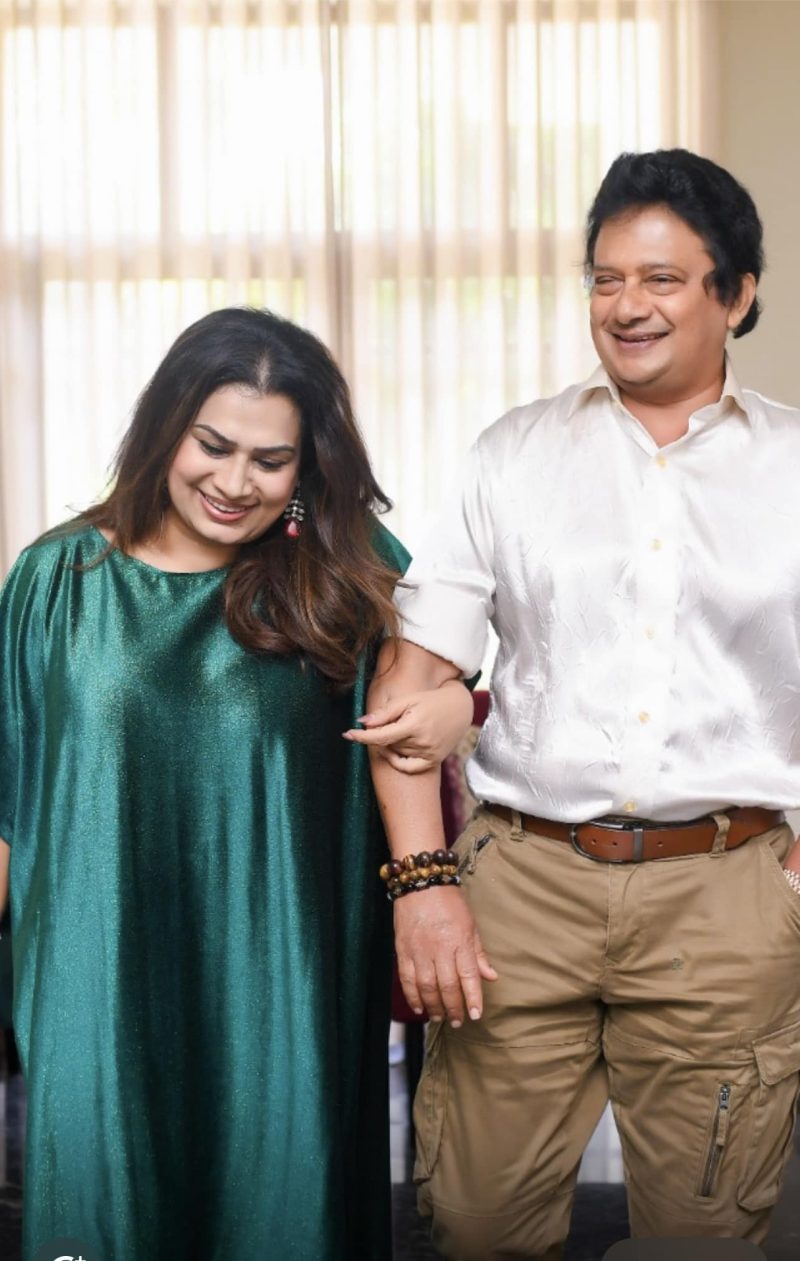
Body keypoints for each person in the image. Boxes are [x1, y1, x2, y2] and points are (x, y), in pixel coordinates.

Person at [350, 150, 800, 1257]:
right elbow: (411, 688)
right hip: (521, 887)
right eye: (605, 278)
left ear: (736, 294)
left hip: (727, 890)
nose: (625, 305)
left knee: (704, 1234)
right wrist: (422, 885)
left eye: (661, 278)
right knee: (474, 1224)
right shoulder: (514, 453)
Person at [0, 307, 473, 1261]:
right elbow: (10, 804)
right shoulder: (55, 578)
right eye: (212, 446)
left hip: (279, 983)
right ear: (163, 428)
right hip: (93, 980)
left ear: (306, 467)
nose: (233, 482)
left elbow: (436, 691)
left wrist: (462, 702)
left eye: (270, 460)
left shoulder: (347, 569)